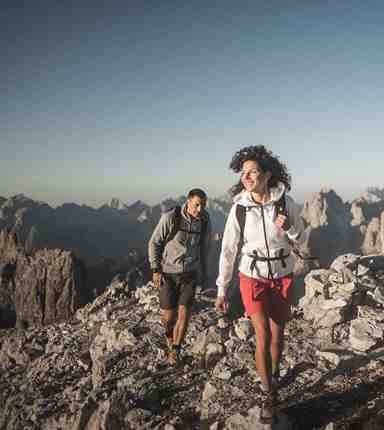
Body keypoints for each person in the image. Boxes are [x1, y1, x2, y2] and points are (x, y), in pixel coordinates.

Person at [215, 145, 305, 423]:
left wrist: (288, 226)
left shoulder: (284, 202)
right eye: (244, 173)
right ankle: (268, 394)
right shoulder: (239, 209)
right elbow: (228, 250)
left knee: (278, 336)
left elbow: (300, 238)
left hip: (281, 275)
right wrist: (222, 288)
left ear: (267, 174)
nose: (247, 177)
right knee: (263, 334)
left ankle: (274, 374)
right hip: (251, 276)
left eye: (253, 172)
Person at [148, 188, 211, 365]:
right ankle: (169, 335)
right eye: (197, 204)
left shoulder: (205, 221)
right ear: (188, 201)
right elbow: (154, 242)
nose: (200, 209)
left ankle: (176, 350)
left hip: (190, 274)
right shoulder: (171, 218)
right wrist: (155, 269)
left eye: (203, 205)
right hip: (168, 274)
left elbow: (205, 249)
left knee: (184, 313)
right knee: (168, 317)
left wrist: (204, 273)